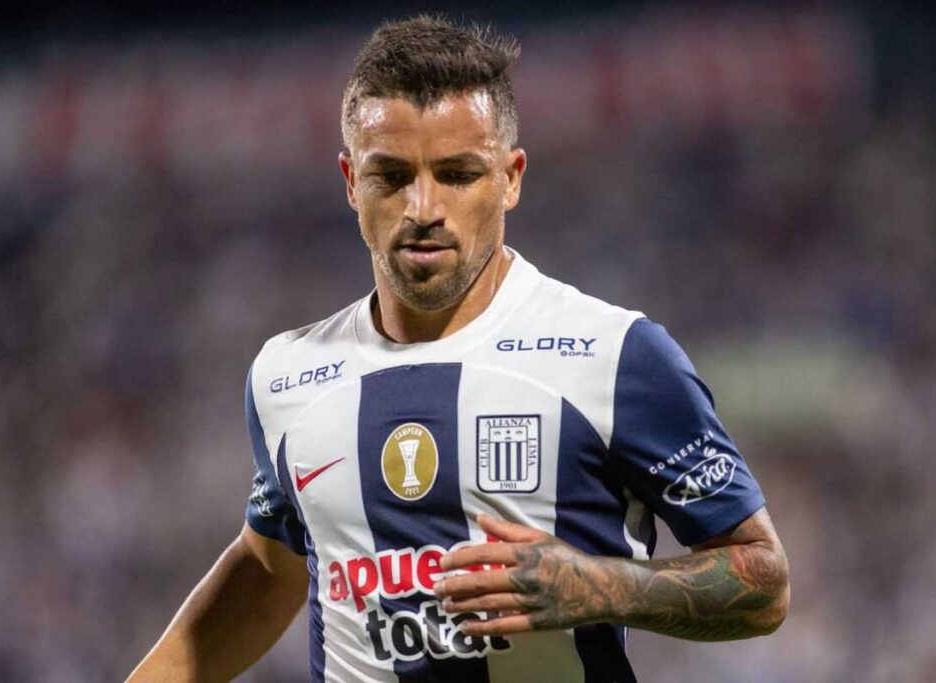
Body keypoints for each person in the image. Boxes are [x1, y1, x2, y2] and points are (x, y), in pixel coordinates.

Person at [129, 14, 789, 682]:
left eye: (456, 173)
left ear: (510, 177)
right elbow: (271, 568)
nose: (423, 206)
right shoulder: (286, 377)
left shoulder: (616, 354)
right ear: (350, 181)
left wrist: (600, 585)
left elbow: (762, 580)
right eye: (391, 175)